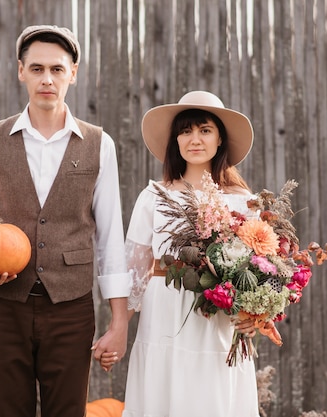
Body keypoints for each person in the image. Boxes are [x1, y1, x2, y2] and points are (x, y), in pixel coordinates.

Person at [0, 25, 131, 417]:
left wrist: (119, 321)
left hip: (71, 308)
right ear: (21, 72)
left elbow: (110, 239)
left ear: (73, 73)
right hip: (3, 306)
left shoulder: (100, 144)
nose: (47, 79)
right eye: (36, 69)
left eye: (56, 69)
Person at [112, 91, 260, 416]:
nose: (195, 139)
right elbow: (134, 272)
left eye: (205, 130)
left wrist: (255, 313)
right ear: (175, 140)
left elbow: (260, 267)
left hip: (216, 319)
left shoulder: (243, 201)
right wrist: (118, 326)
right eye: (185, 131)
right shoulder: (154, 196)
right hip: (164, 313)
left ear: (220, 138)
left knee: (212, 396)